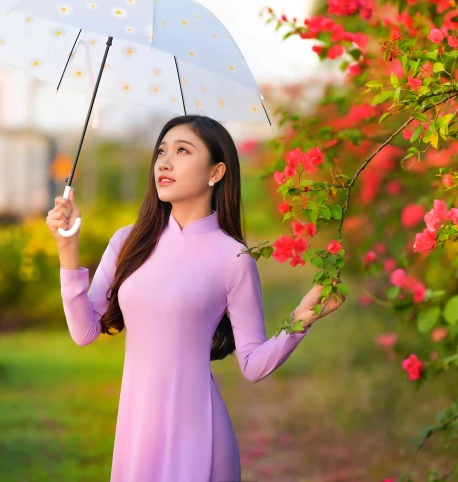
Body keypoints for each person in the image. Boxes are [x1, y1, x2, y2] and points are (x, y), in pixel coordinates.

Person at [45, 115, 346, 482]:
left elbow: (252, 364)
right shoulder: (129, 242)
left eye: (182, 151)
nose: (165, 162)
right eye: (161, 152)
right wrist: (67, 248)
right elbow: (84, 331)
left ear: (216, 171)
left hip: (200, 433)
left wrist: (302, 317)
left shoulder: (232, 258)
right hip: (137, 434)